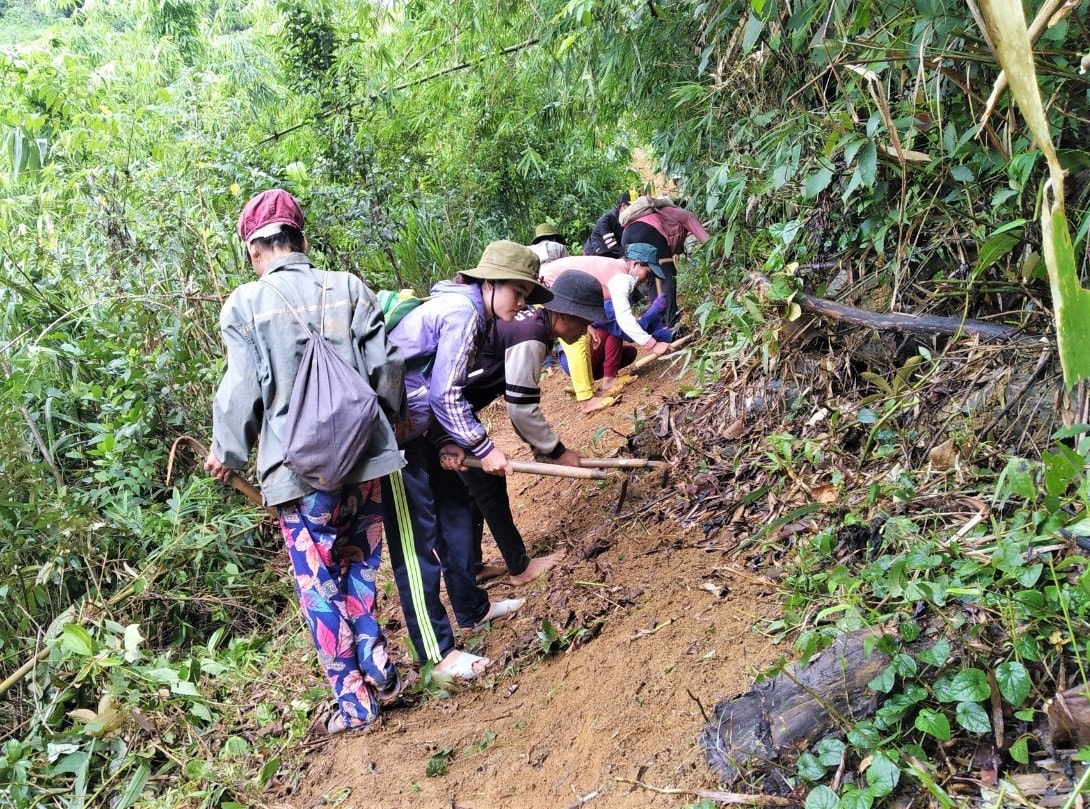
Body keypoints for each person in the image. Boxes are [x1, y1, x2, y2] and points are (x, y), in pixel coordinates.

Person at [205, 189, 406, 735]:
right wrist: (393, 421)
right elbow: (387, 367)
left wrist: (226, 453)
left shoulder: (245, 305)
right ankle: (379, 663)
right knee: (360, 565)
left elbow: (240, 389)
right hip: (366, 461)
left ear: (254, 252)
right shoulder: (349, 287)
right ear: (301, 239)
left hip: (298, 477)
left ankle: (356, 705)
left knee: (319, 582)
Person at [381, 240, 553, 679]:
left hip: (418, 429)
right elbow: (445, 393)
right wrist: (482, 447)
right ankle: (437, 657)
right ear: (490, 284)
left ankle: (472, 608)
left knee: (457, 511)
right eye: (518, 292)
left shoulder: (466, 311)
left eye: (528, 296)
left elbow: (425, 381)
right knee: (418, 541)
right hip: (391, 440)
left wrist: (446, 443)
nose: (522, 303)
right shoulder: (464, 313)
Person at [456, 270, 606, 584]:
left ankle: (471, 566)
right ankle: (520, 567)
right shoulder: (531, 335)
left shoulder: (532, 323)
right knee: (488, 480)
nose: (585, 330)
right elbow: (521, 409)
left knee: (471, 487)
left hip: (452, 408)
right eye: (583, 321)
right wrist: (557, 452)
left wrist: (541, 449)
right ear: (564, 315)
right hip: (446, 410)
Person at [540, 244, 676, 396]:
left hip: (554, 286)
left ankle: (587, 385)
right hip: (551, 284)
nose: (647, 279)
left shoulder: (612, 273)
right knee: (602, 329)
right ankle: (590, 391)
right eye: (648, 272)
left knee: (626, 350)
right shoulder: (620, 279)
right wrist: (654, 342)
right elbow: (623, 322)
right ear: (636, 264)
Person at [620, 199, 710, 326]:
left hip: (626, 238)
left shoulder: (650, 214)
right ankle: (672, 322)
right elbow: (691, 218)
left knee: (652, 278)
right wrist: (711, 245)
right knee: (667, 274)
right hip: (648, 233)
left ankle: (661, 321)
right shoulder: (674, 211)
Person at [583, 191, 631, 258]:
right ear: (623, 206)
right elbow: (612, 245)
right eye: (633, 207)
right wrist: (631, 255)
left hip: (611, 255)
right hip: (594, 256)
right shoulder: (606, 221)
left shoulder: (628, 220)